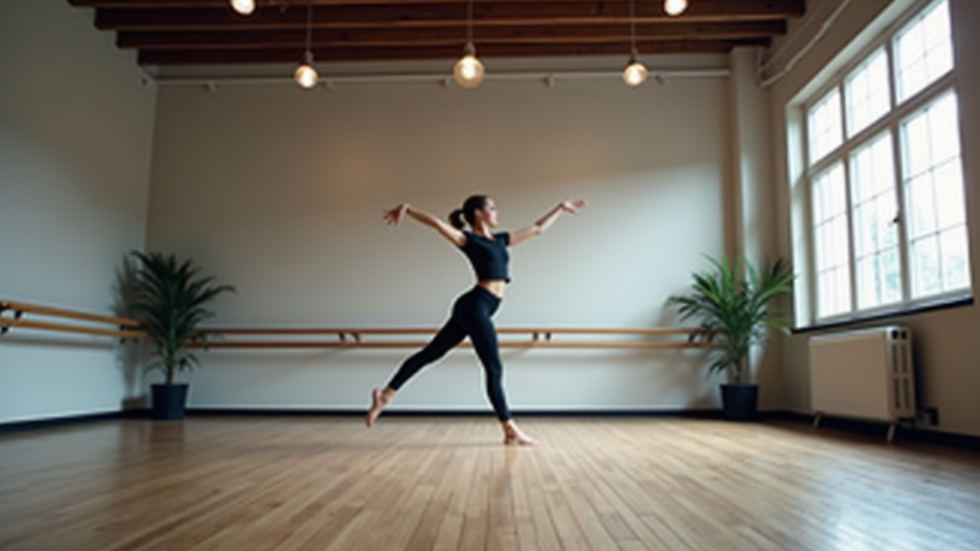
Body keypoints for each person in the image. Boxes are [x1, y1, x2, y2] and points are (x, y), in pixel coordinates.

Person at [367, 195, 587, 445]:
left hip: (478, 307)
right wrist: (407, 210)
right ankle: (510, 429)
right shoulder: (468, 240)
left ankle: (385, 395)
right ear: (478, 213)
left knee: (430, 354)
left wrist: (559, 208)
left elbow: (537, 229)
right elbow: (439, 224)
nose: (497, 213)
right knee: (493, 368)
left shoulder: (501, 240)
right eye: (493, 208)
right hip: (475, 306)